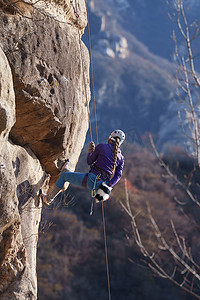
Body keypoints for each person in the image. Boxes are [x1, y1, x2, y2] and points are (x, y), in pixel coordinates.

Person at [40, 129, 125, 205]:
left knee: (63, 177)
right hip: (101, 186)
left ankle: (48, 199)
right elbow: (118, 176)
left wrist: (90, 151)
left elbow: (89, 161)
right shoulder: (121, 158)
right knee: (65, 173)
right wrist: (108, 185)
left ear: (110, 138)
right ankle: (65, 170)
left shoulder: (102, 147)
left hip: (91, 179)